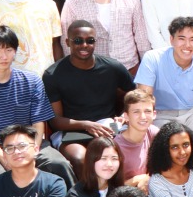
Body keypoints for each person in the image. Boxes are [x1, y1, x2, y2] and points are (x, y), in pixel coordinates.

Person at [0, 26, 73, 197]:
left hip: (32, 145)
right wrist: (5, 157)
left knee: (59, 164)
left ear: (15, 51)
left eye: (8, 49)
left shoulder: (32, 81)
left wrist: (33, 151)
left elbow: (38, 124)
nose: (4, 56)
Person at [44, 20, 135, 169]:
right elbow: (56, 121)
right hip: (71, 131)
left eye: (90, 41)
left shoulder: (112, 67)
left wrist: (124, 114)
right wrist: (86, 125)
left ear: (95, 42)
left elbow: (135, 96)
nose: (84, 45)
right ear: (67, 42)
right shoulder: (53, 74)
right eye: (78, 41)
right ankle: (88, 193)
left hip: (107, 126)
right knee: (80, 159)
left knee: (120, 152)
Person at [135, 17, 193, 147]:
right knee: (160, 146)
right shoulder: (152, 59)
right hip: (160, 115)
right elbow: (144, 100)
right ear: (171, 40)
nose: (187, 45)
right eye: (181, 39)